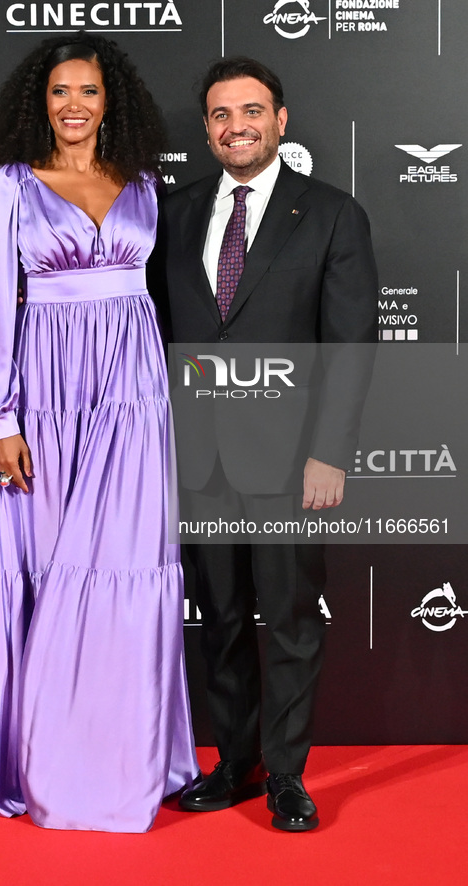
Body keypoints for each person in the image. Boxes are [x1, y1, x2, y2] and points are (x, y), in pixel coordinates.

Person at [0, 33, 198, 832]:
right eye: (59, 92)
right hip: (47, 399)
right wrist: (1, 419)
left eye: (87, 92)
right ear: (40, 101)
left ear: (111, 100)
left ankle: (130, 760)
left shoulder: (146, 184)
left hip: (133, 395)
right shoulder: (7, 188)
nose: (73, 106)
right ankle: (53, 765)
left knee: (129, 568)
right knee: (51, 568)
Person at [159, 57, 378, 831]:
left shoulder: (329, 213)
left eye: (252, 111)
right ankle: (236, 763)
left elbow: (350, 345)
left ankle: (286, 774)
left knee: (285, 618)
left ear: (280, 120)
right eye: (220, 115)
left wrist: (331, 453)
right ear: (208, 127)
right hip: (197, 457)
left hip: (291, 461)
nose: (236, 127)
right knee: (218, 618)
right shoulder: (175, 214)